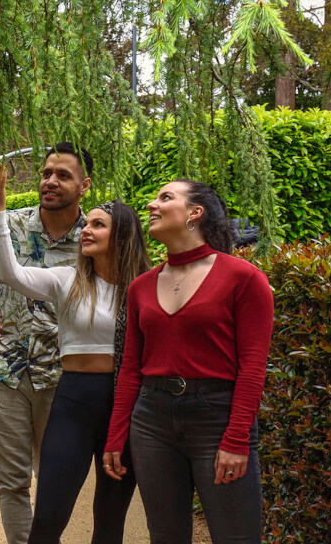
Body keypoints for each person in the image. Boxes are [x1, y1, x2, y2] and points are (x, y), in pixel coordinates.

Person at [0, 161, 150, 544]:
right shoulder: (67, 279)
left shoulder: (144, 286)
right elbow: (12, 273)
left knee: (110, 520)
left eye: (97, 225)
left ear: (122, 234)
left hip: (125, 402)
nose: (86, 231)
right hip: (73, 399)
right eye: (86, 224)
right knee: (49, 517)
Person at [102, 180, 274, 543]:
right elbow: (130, 367)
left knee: (237, 536)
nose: (151, 204)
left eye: (165, 198)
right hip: (151, 420)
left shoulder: (244, 278)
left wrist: (237, 439)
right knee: (165, 536)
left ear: (195, 213)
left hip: (217, 418)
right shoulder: (141, 287)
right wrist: (117, 435)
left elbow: (253, 368)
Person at [0, 142, 91, 544]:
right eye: (47, 173)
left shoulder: (94, 236)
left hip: (63, 374)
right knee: (11, 480)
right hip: (3, 372)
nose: (50, 181)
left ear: (84, 185)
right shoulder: (7, 225)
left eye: (62, 175)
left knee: (55, 476)